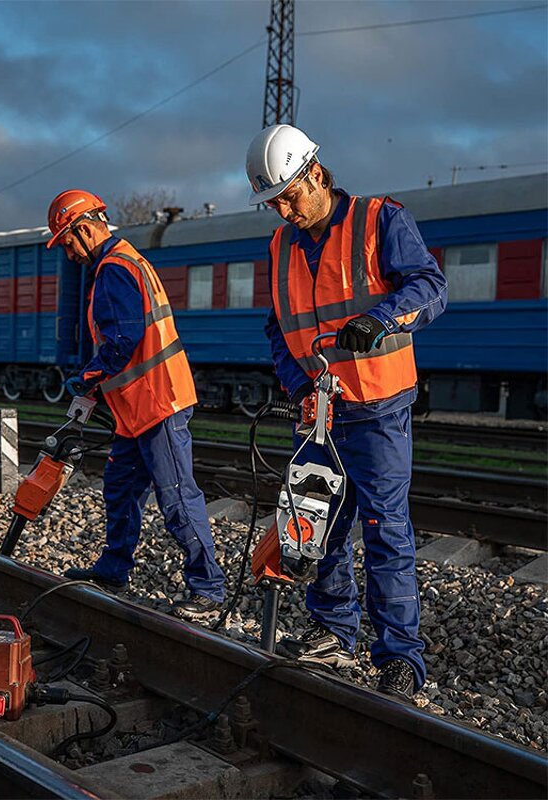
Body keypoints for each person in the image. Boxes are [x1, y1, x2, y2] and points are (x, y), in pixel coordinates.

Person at [245, 125, 447, 701]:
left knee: (385, 530)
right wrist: (296, 385)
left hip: (378, 405)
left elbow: (431, 286)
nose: (284, 210)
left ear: (315, 173)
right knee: (318, 526)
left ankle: (400, 656)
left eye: (289, 195)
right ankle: (334, 630)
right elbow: (277, 328)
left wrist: (382, 318)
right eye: (273, 203)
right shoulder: (281, 246)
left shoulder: (380, 220)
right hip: (319, 411)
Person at [44, 189, 226, 618]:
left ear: (84, 229)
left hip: (158, 402)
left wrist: (88, 376)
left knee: (177, 496)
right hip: (136, 409)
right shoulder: (123, 262)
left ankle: (208, 587)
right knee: (121, 489)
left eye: (68, 243)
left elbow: (124, 339)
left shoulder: (113, 270)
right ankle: (112, 568)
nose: (69, 254)